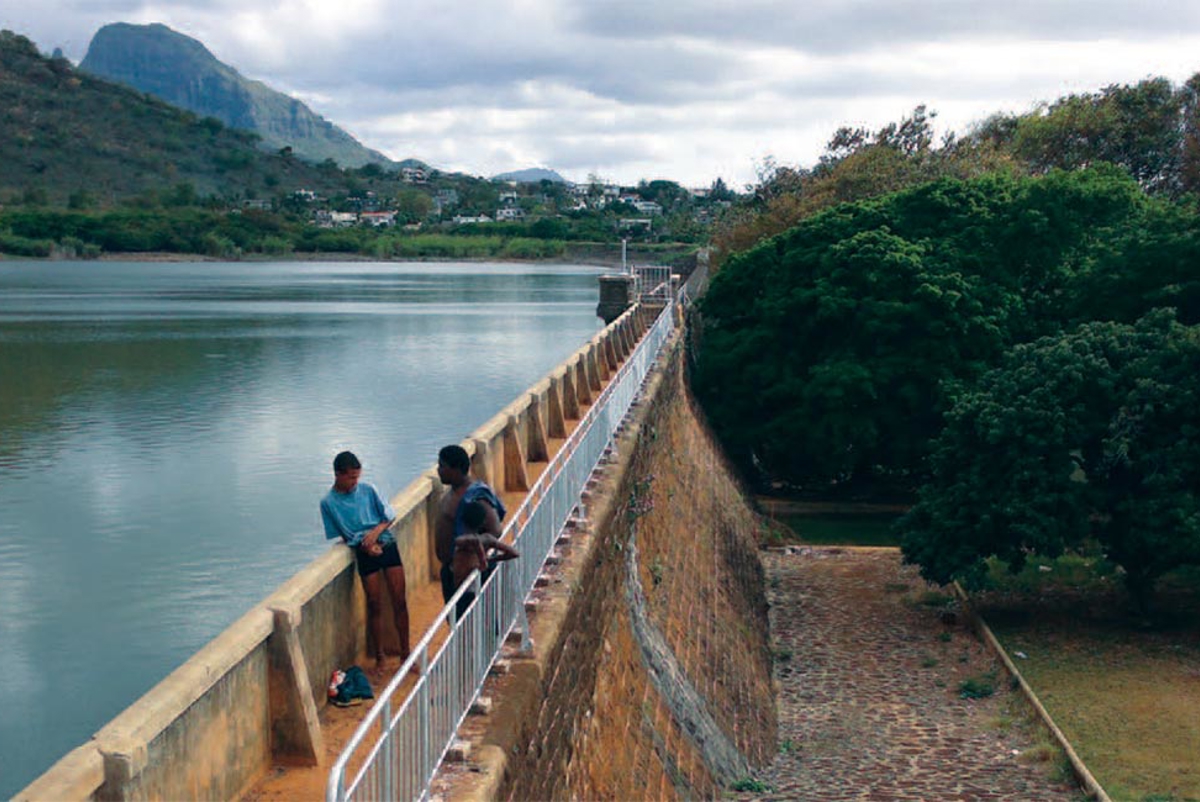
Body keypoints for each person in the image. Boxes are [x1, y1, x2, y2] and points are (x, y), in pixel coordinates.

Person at [320, 451, 410, 676]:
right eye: (351, 478)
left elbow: (389, 515)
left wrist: (376, 533)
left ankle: (406, 653)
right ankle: (379, 656)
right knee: (374, 604)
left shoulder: (368, 490)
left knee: (399, 599)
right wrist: (365, 544)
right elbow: (343, 533)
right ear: (338, 475)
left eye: (357, 477)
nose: (355, 482)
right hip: (363, 550)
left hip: (386, 543)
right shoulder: (328, 503)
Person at [435, 444, 508, 616]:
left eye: (442, 466)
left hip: (469, 573)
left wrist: (473, 545)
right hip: (450, 570)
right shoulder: (451, 493)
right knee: (455, 620)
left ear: (456, 469)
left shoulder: (475, 496)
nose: (439, 471)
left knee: (473, 620)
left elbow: (496, 530)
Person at [449, 500, 520, 618]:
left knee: (465, 625)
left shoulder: (462, 541)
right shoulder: (487, 538)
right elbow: (513, 553)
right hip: (480, 588)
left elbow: (472, 541)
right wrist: (490, 560)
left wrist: (483, 559)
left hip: (466, 593)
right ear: (483, 523)